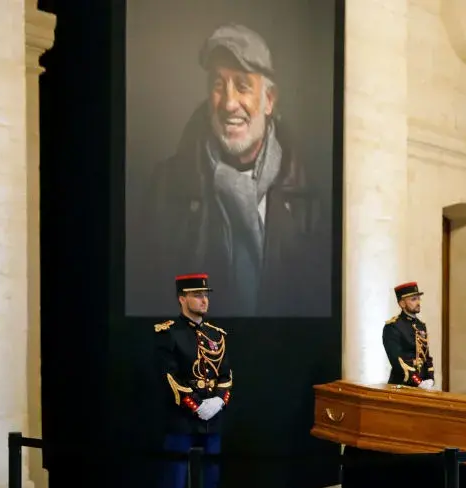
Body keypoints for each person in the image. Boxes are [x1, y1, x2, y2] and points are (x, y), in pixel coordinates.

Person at [131, 23, 327, 318]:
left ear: (269, 100)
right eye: (218, 85)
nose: (229, 103)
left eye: (243, 86)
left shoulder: (308, 195)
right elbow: (149, 299)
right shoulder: (166, 187)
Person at [154, 274, 236, 488]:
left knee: (210, 479)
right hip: (182, 419)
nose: (204, 300)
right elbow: (170, 377)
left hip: (212, 418)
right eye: (197, 295)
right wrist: (196, 405)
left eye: (205, 295)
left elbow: (226, 376)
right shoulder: (168, 333)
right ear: (182, 298)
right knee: (174, 479)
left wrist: (218, 402)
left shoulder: (216, 335)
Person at [382, 282, 435, 389]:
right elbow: (398, 361)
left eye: (418, 298)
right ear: (402, 303)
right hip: (402, 385)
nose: (418, 302)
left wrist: (430, 378)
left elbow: (426, 357)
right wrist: (418, 381)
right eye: (413, 299)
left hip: (422, 384)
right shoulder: (393, 326)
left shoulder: (421, 325)